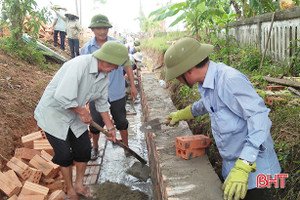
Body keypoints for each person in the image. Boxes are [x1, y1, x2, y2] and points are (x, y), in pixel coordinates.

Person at [164, 37, 281, 200]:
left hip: (256, 172)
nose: (177, 80)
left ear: (188, 70)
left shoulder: (229, 79)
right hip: (232, 167)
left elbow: (259, 117)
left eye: (177, 75)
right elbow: (207, 104)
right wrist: (181, 114)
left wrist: (244, 164)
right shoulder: (208, 83)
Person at [34, 41, 131, 200]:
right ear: (107, 59)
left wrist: (110, 128)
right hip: (54, 114)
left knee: (84, 149)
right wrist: (81, 110)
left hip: (75, 114)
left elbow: (101, 103)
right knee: (64, 154)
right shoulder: (79, 66)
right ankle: (70, 189)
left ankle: (79, 184)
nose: (116, 69)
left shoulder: (104, 76)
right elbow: (61, 96)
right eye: (116, 65)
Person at [81, 14, 138, 160]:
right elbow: (84, 73)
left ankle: (125, 146)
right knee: (96, 123)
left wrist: (132, 85)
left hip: (116, 91)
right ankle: (95, 148)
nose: (102, 31)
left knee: (121, 121)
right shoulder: (87, 48)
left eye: (105, 28)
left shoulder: (117, 46)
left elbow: (127, 66)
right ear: (93, 29)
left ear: (108, 29)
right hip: (95, 93)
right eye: (98, 28)